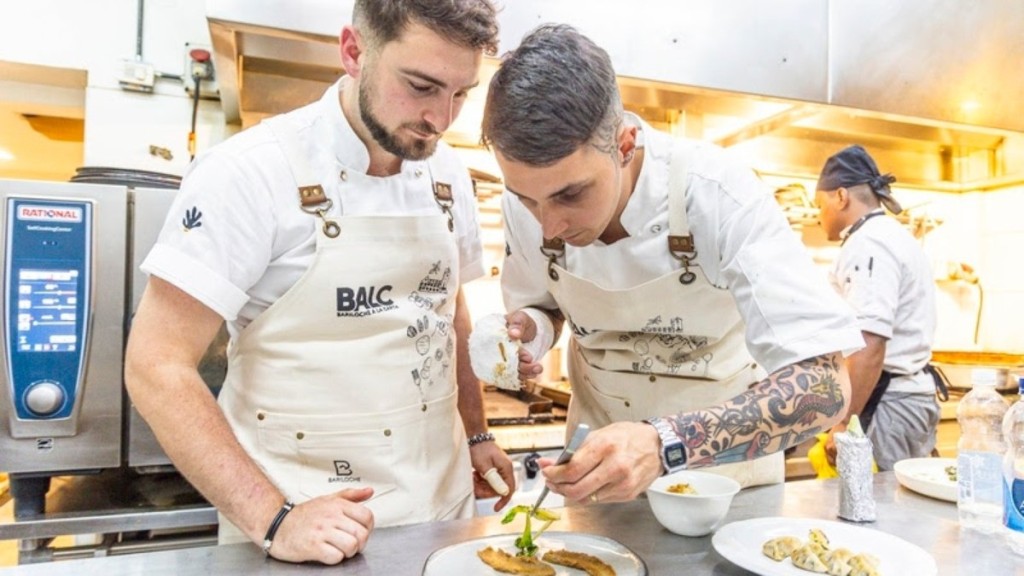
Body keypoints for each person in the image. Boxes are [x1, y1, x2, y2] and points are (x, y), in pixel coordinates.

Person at [124, 0, 513, 565]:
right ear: (354, 52)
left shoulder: (448, 173)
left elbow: (447, 311)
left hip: (440, 511)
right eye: (421, 86)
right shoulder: (250, 172)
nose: (440, 118)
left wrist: (477, 434)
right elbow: (155, 364)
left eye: (460, 94)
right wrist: (274, 518)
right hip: (302, 522)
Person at [479, 24, 864, 505]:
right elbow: (545, 307)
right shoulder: (527, 211)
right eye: (526, 199)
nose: (549, 226)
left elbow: (825, 386)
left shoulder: (717, 193)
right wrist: (532, 332)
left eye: (570, 194)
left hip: (725, 489)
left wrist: (664, 443)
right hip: (598, 486)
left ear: (624, 144)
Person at [814, 145, 942, 471]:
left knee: (882, 499)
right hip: (901, 399)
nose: (818, 215)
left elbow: (869, 341)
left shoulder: (869, 243)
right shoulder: (888, 235)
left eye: (819, 204)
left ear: (840, 196)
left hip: (889, 405)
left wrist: (845, 422)